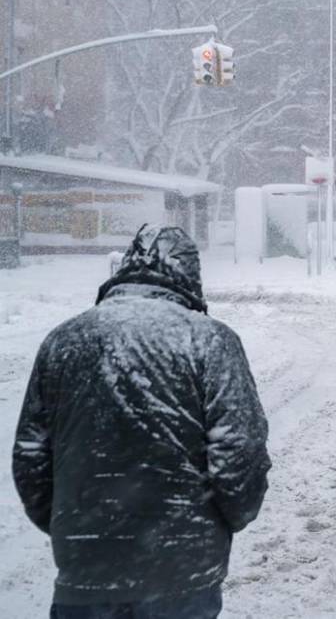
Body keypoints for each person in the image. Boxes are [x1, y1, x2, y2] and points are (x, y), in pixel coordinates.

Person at [12, 225, 271, 618]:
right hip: (183, 571)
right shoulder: (210, 341)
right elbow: (240, 454)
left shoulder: (63, 341)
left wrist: (79, 529)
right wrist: (225, 520)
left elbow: (31, 458)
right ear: (191, 277)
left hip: (85, 574)